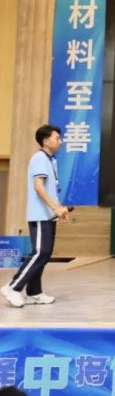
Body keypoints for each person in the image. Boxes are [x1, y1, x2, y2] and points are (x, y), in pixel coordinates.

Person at [2, 125, 69, 308]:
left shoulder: (51, 160)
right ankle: (13, 287)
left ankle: (34, 292)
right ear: (46, 141)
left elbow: (50, 189)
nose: (60, 141)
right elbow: (38, 187)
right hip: (39, 215)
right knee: (40, 252)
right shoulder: (39, 158)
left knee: (45, 253)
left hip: (48, 215)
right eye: (57, 138)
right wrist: (55, 208)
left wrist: (59, 211)